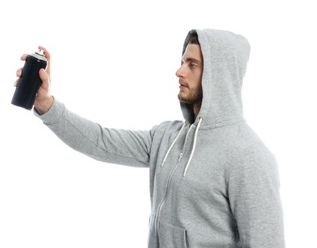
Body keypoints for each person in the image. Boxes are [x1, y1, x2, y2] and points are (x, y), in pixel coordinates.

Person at [15, 29, 286, 247]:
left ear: (220, 77)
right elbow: (100, 141)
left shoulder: (249, 156)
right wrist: (45, 104)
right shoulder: (168, 137)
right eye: (182, 62)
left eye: (193, 65)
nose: (179, 72)